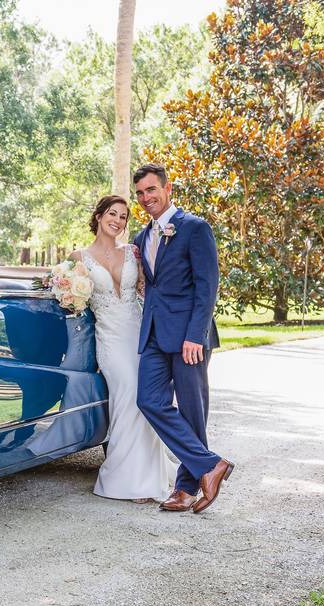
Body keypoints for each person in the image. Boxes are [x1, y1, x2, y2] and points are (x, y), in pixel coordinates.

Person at [132, 163, 232, 513]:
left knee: (192, 412)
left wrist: (195, 335)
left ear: (167, 188)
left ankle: (184, 488)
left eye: (151, 190)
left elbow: (207, 286)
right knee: (148, 400)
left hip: (190, 336)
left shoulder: (194, 228)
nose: (146, 198)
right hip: (155, 335)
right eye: (140, 193)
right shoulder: (141, 238)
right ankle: (210, 465)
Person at [69, 195, 175, 503]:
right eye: (112, 214)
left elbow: (146, 288)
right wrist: (68, 294)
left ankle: (147, 477)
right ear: (99, 216)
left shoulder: (133, 252)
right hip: (110, 339)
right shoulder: (78, 256)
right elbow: (70, 298)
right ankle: (125, 478)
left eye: (123, 217)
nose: (117, 220)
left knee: (146, 398)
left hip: (140, 333)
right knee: (126, 395)